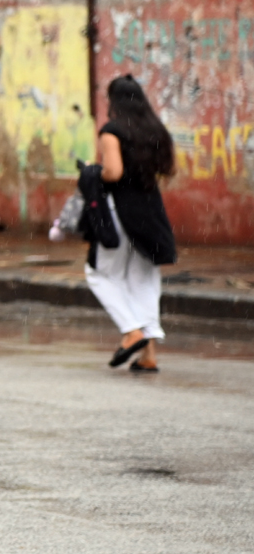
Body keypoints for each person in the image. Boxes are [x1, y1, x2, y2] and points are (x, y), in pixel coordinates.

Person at [86, 75, 177, 372]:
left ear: (114, 101)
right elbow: (167, 168)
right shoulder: (154, 130)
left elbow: (113, 172)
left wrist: (91, 173)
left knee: (99, 273)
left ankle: (131, 331)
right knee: (145, 280)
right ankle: (148, 354)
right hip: (151, 210)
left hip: (120, 210)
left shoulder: (112, 131)